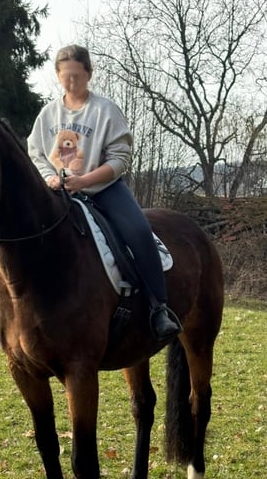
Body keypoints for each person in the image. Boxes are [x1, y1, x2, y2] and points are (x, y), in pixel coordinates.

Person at [27, 45, 181, 341]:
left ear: (89, 74)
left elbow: (120, 158)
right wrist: (50, 178)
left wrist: (84, 181)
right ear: (58, 75)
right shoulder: (47, 114)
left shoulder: (105, 111)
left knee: (139, 231)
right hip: (58, 193)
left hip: (103, 190)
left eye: (77, 75)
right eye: (66, 76)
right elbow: (36, 154)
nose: (71, 82)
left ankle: (159, 308)